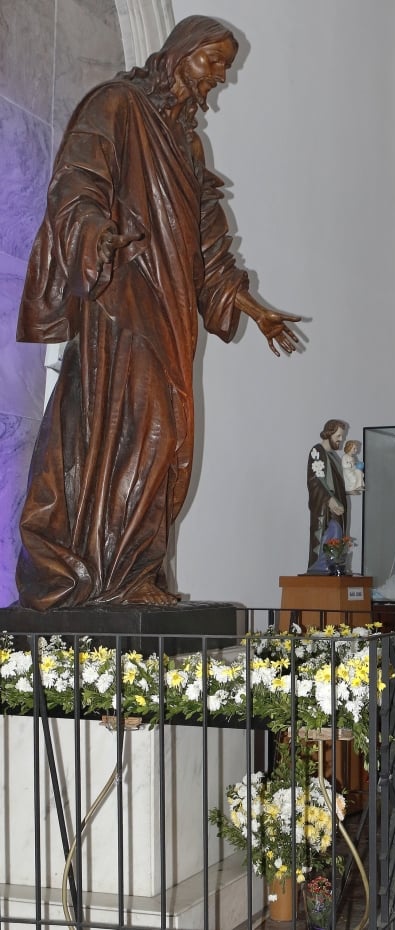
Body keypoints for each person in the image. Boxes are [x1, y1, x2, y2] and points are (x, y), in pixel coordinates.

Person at [15, 16, 301, 609]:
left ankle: (133, 571)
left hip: (171, 312)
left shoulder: (189, 145)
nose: (219, 77)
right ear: (179, 54)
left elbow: (209, 250)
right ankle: (107, 576)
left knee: (168, 439)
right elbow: (78, 181)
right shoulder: (117, 105)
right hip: (120, 300)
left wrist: (257, 309)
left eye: (225, 65)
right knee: (146, 428)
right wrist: (96, 234)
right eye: (213, 62)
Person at [307, 420, 347, 571]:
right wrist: (329, 500)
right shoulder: (317, 451)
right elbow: (314, 481)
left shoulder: (333, 456)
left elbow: (337, 483)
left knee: (336, 534)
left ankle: (331, 563)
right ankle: (321, 565)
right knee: (331, 532)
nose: (340, 439)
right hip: (326, 509)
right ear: (329, 434)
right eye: (338, 435)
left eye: (341, 436)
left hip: (336, 508)